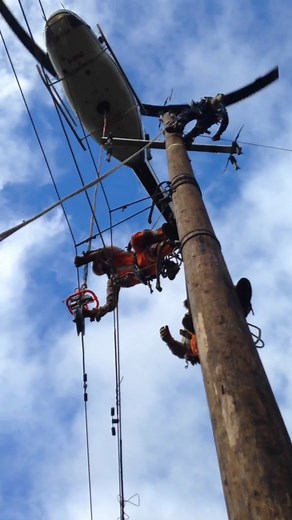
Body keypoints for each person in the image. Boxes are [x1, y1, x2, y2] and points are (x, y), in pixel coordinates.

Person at [74, 223, 180, 321]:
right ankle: (171, 244)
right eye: (104, 271)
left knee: (135, 240)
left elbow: (102, 252)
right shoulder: (114, 281)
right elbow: (110, 304)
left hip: (139, 255)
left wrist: (85, 259)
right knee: (147, 255)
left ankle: (166, 232)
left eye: (103, 266)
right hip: (145, 270)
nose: (107, 270)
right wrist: (93, 313)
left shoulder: (114, 254)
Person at [160, 278, 252, 365]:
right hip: (209, 342)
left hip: (225, 320)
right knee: (187, 322)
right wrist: (170, 341)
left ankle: (237, 308)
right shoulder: (189, 328)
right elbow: (183, 352)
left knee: (242, 284)